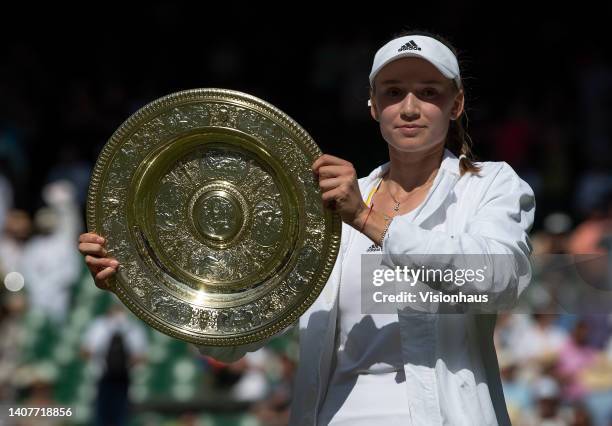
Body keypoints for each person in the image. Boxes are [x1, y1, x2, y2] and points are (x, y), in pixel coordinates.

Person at [78, 31, 536, 425]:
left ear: (456, 104)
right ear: (373, 106)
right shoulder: (324, 205)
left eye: (429, 92)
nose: (410, 107)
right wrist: (141, 283)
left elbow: (497, 281)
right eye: (394, 93)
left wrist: (369, 221)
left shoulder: (489, 184)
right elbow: (243, 333)